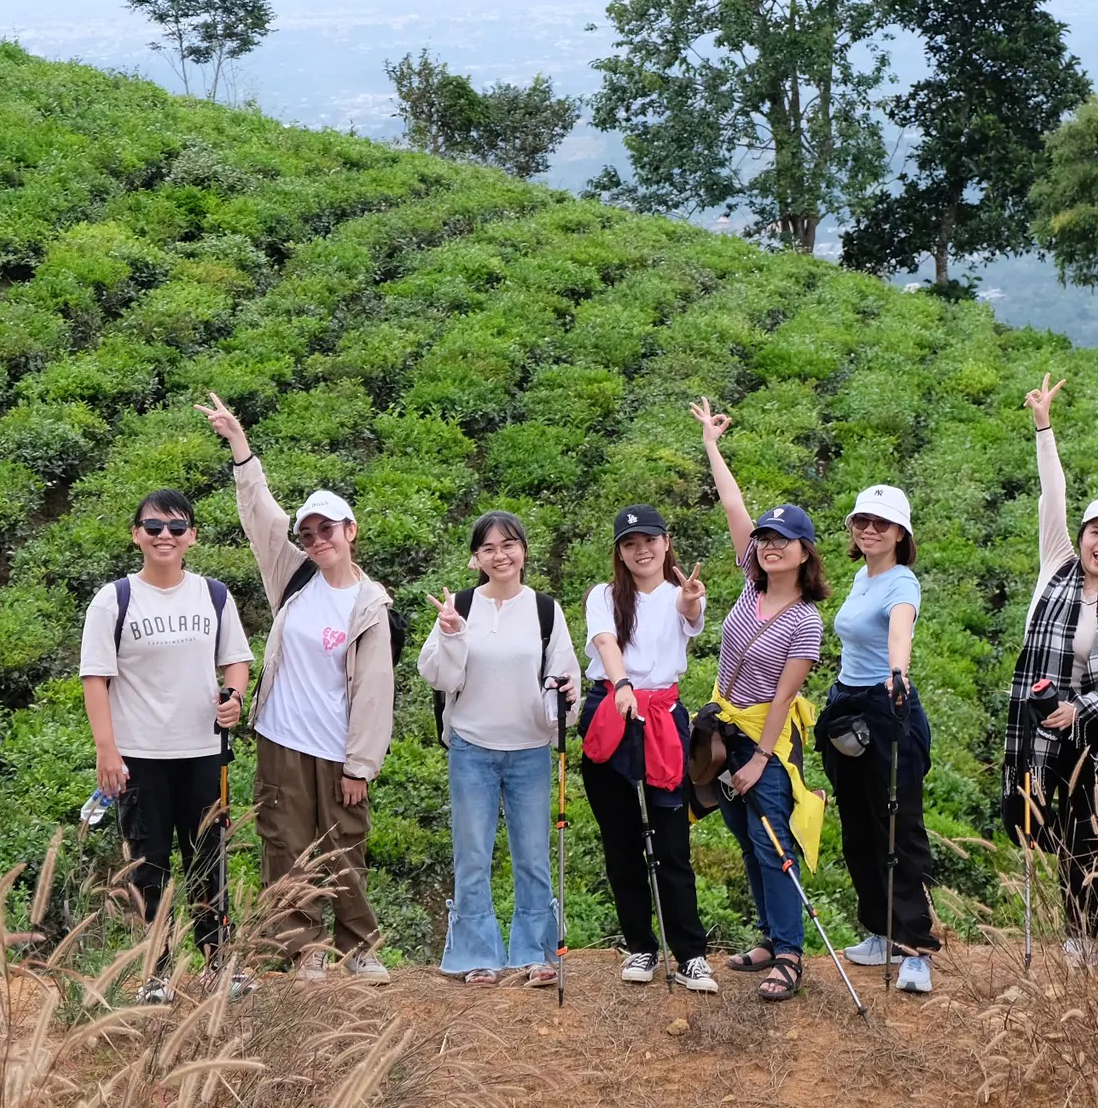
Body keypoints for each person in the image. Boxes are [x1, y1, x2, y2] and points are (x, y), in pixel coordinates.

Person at [199, 393, 398, 985]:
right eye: (308, 532)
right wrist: (240, 447)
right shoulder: (294, 576)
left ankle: (359, 945)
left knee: (345, 845)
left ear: (350, 530)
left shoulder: (370, 603)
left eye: (326, 529)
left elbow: (374, 693)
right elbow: (260, 515)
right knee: (284, 843)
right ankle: (303, 946)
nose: (316, 540)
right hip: (282, 737)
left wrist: (361, 763)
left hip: (339, 746)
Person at [78, 490, 255, 1004]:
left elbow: (236, 661)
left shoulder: (215, 595)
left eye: (176, 528)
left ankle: (219, 963)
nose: (164, 536)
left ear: (192, 537)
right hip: (140, 758)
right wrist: (106, 750)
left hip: (204, 752)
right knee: (148, 865)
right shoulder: (114, 599)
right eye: (153, 527)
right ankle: (154, 972)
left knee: (209, 860)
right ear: (136, 534)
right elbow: (96, 678)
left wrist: (236, 697)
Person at [999, 374, 1098, 982]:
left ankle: (1083, 933)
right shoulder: (1054, 564)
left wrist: (1079, 708)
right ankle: (1065, 926)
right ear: (1079, 538)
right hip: (1037, 722)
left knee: (1087, 829)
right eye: (1095, 532)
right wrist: (1043, 427)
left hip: (1090, 733)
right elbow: (1050, 494)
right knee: (1039, 822)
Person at [693, 399, 828, 1002]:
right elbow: (733, 507)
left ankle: (792, 953)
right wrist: (712, 445)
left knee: (774, 837)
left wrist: (758, 760)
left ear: (805, 553)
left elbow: (783, 697)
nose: (770, 547)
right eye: (765, 540)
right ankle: (771, 938)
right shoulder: (750, 584)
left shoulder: (805, 620)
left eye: (784, 541)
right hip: (724, 726)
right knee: (746, 835)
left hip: (766, 736)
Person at [418, 510, 583, 990]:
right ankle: (477, 954)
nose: (500, 554)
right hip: (471, 748)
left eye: (509, 544)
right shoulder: (461, 607)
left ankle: (535, 953)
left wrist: (564, 695)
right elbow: (438, 676)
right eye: (488, 548)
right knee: (472, 854)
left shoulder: (545, 610)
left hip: (531, 749)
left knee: (532, 855)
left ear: (524, 551)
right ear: (475, 558)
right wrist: (450, 631)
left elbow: (565, 681)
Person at [579, 505, 719, 993]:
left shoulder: (680, 594)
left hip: (663, 719)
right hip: (611, 710)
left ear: (666, 541)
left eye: (651, 540)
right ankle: (640, 946)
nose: (642, 549)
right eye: (630, 543)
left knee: (671, 841)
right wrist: (621, 686)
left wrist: (692, 600)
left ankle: (691, 954)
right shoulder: (603, 595)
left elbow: (689, 613)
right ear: (619, 551)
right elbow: (606, 642)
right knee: (621, 843)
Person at [820, 481, 939, 995]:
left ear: (900, 534)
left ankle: (916, 948)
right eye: (862, 522)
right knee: (857, 826)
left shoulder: (901, 582)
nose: (869, 530)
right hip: (847, 704)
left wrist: (898, 672)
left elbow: (900, 630)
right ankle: (880, 930)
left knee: (897, 827)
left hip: (886, 705)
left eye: (881, 524)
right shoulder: (859, 577)